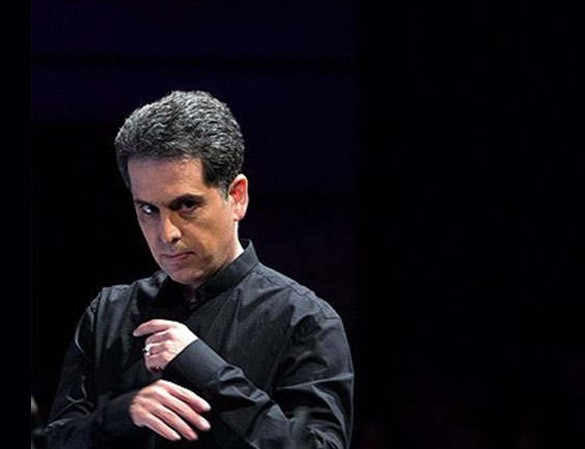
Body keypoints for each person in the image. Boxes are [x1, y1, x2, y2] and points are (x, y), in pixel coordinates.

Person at [45, 90, 354, 449]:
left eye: (186, 205)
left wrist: (204, 369)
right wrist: (120, 415)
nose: (166, 234)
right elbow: (55, 440)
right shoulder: (108, 314)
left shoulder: (304, 321)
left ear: (236, 197)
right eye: (148, 210)